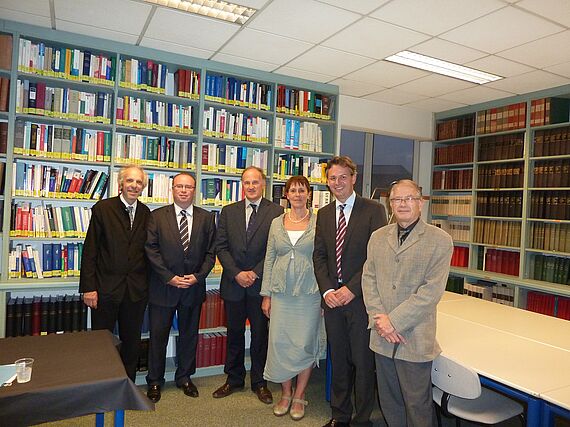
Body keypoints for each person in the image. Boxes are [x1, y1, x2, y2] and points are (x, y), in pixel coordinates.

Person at [362, 179, 453, 427]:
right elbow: (368, 279)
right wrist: (380, 319)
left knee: (417, 404)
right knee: (390, 401)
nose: (402, 204)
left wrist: (394, 322)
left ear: (420, 203)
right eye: (396, 199)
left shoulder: (440, 240)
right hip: (381, 335)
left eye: (409, 198)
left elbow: (431, 291)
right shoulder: (377, 237)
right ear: (390, 204)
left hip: (414, 336)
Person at [313, 155, 387, 427]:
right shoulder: (323, 214)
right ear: (327, 181)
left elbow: (375, 257)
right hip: (332, 301)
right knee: (339, 360)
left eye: (343, 177)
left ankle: (362, 419)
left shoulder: (373, 210)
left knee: (363, 362)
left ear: (353, 178)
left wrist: (351, 289)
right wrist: (327, 291)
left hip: (360, 301)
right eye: (332, 178)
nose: (337, 182)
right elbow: (319, 257)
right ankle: (339, 416)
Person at [213, 166, 284, 404]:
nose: (251, 186)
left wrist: (254, 273)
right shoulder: (228, 211)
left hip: (261, 285)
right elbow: (220, 246)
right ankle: (233, 379)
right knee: (233, 333)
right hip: (234, 284)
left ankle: (259, 381)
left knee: (260, 335)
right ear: (241, 185)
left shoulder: (277, 212)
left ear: (263, 184)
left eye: (255, 182)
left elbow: (276, 249)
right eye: (246, 182)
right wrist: (236, 273)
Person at [145, 172, 216, 403]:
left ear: (194, 190)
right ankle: (155, 380)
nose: (184, 190)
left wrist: (198, 276)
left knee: (189, 336)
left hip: (193, 287)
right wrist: (169, 277)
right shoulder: (156, 216)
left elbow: (211, 252)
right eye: (179, 186)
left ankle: (184, 377)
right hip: (164, 287)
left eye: (188, 187)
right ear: (172, 189)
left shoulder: (206, 218)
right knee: (158, 337)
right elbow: (151, 250)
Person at [80, 165, 151, 382]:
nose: (134, 186)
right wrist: (88, 288)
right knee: (102, 340)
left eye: (139, 182)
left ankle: (127, 383)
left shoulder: (146, 213)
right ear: (121, 183)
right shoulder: (103, 209)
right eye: (130, 181)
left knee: (132, 340)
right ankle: (102, 382)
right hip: (104, 289)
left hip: (135, 292)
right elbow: (90, 250)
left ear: (143, 187)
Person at [260, 176, 322, 421]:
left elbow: (324, 259)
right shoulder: (277, 223)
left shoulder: (319, 222)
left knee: (305, 343)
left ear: (309, 194)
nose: (297, 194)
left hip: (309, 294)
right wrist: (266, 295)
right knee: (280, 343)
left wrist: (325, 295)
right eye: (293, 190)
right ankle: (285, 393)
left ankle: (300, 395)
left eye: (302, 190)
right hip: (281, 293)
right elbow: (269, 258)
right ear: (286, 194)